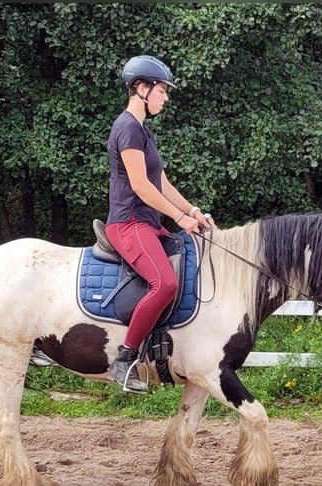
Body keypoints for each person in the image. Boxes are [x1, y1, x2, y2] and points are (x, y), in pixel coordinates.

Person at [106, 54, 212, 394]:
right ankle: (124, 360)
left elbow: (162, 183)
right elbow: (140, 185)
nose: (166, 97)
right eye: (162, 90)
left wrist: (192, 211)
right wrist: (178, 217)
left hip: (149, 224)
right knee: (164, 284)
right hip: (128, 223)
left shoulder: (144, 133)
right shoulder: (126, 128)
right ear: (141, 88)